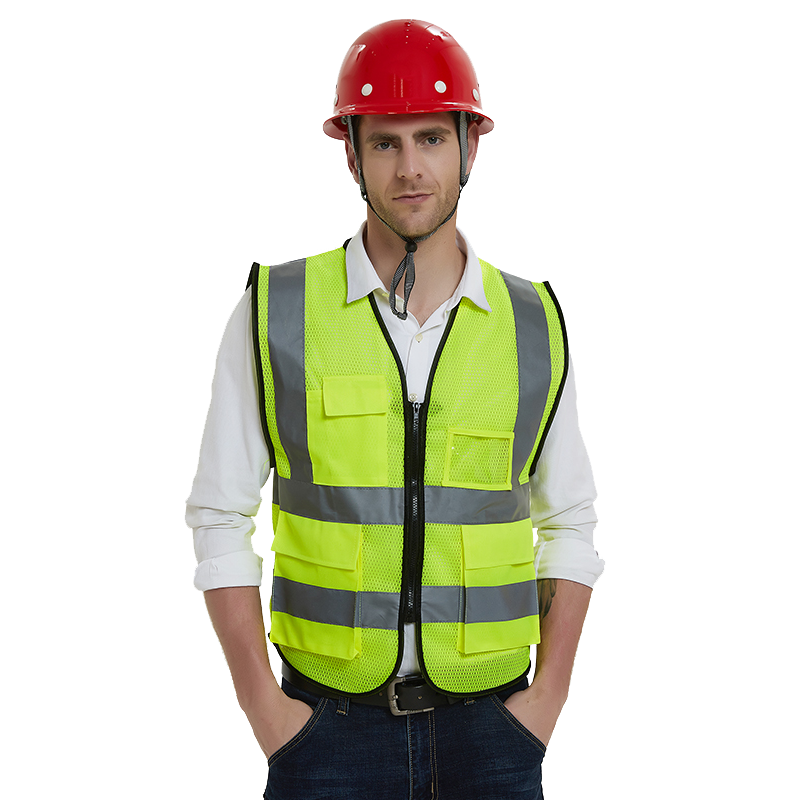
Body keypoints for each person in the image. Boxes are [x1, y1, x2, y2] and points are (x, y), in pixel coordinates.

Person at [186, 19, 605, 799]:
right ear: (351, 153)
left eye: (431, 139)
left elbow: (571, 522)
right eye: (385, 142)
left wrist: (545, 702)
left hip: (494, 732)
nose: (410, 168)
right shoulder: (278, 311)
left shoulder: (532, 324)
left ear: (469, 147)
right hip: (324, 733)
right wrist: (268, 715)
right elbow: (218, 515)